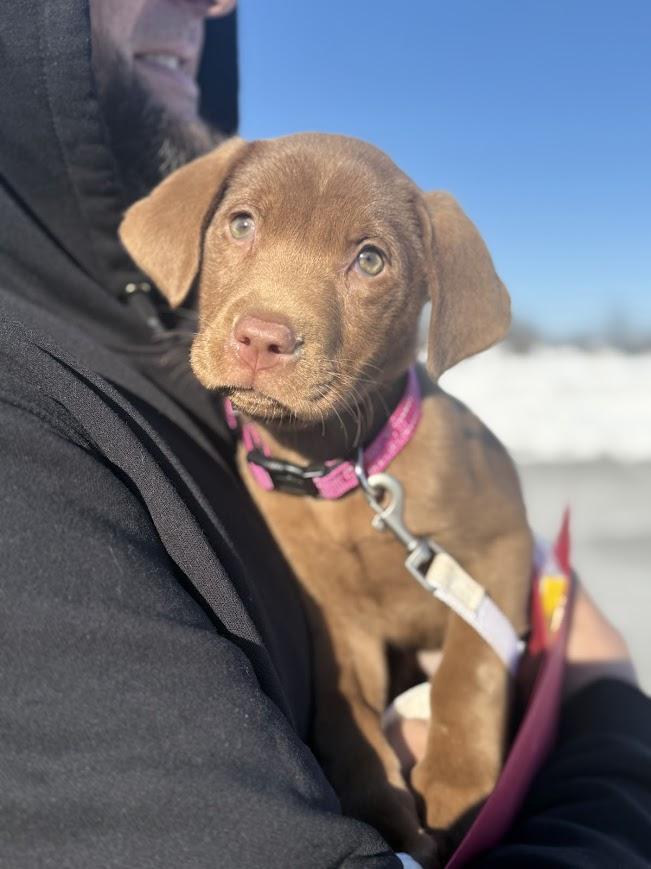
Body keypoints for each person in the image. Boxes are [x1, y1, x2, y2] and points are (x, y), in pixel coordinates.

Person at [0, 2, 649, 867]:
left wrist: (477, 710)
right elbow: (337, 635)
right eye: (242, 225)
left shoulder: (426, 443)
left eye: (368, 260)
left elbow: (502, 553)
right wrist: (606, 702)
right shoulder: (39, 432)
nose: (269, 321)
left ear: (431, 299)